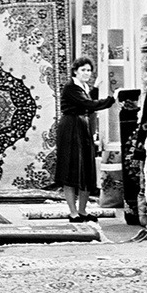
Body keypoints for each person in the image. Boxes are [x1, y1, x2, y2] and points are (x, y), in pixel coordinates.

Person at [54, 56, 115, 222]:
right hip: (71, 128)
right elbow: (87, 104)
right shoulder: (70, 87)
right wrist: (111, 100)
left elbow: (87, 101)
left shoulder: (83, 87)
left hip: (82, 126)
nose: (87, 73)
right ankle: (73, 212)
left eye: (89, 70)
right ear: (75, 71)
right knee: (72, 169)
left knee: (86, 169)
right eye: (83, 70)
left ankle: (82, 211)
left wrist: (95, 90)